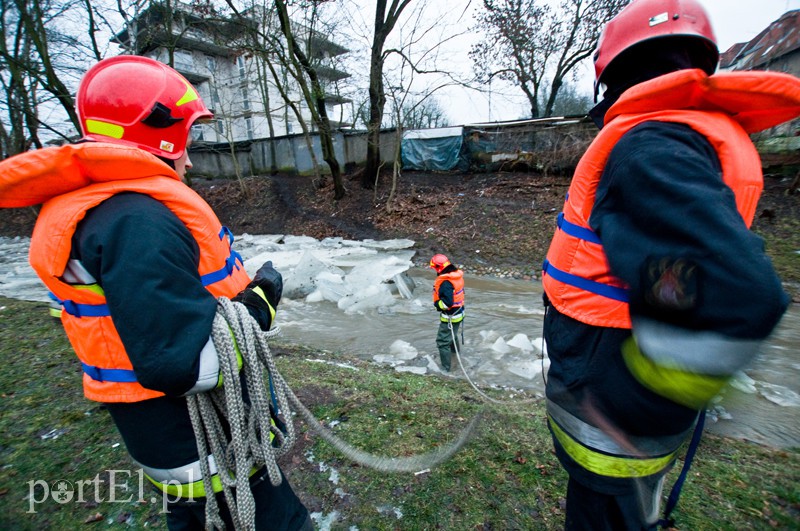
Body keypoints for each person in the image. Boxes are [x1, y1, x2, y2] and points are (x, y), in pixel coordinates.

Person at [0, 56, 312, 530]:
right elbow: (184, 366)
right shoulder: (136, 222)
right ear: (159, 136)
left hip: (173, 433)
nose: (188, 158)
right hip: (196, 437)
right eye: (186, 140)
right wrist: (259, 304)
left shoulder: (106, 210)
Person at [539, 0, 800, 529]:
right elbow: (674, 278)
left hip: (612, 423)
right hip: (615, 417)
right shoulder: (687, 136)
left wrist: (646, 395)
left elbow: (740, 294)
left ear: (614, 76)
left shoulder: (650, 146)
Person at [430, 254, 465, 372]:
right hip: (459, 313)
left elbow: (448, 303)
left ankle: (445, 369)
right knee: (452, 335)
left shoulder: (445, 282)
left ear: (439, 268)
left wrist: (437, 305)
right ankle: (456, 356)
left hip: (450, 316)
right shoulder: (455, 276)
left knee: (442, 341)